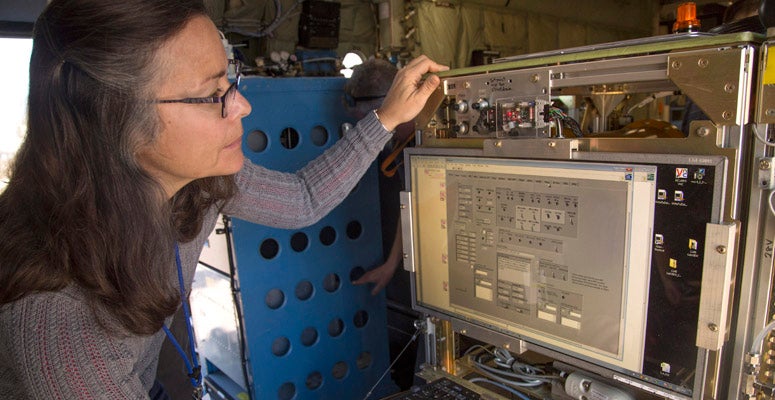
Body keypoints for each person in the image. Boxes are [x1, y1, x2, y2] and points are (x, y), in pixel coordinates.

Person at [0, 0, 448, 398]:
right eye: (215, 94)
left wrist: (386, 117)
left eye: (230, 81)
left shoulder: (196, 181)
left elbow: (302, 198)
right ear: (114, 116)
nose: (242, 107)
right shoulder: (57, 319)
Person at [345, 59, 422, 390]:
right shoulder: (391, 144)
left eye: (366, 114)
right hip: (398, 294)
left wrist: (391, 263)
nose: (359, 121)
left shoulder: (426, 139)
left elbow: (416, 203)